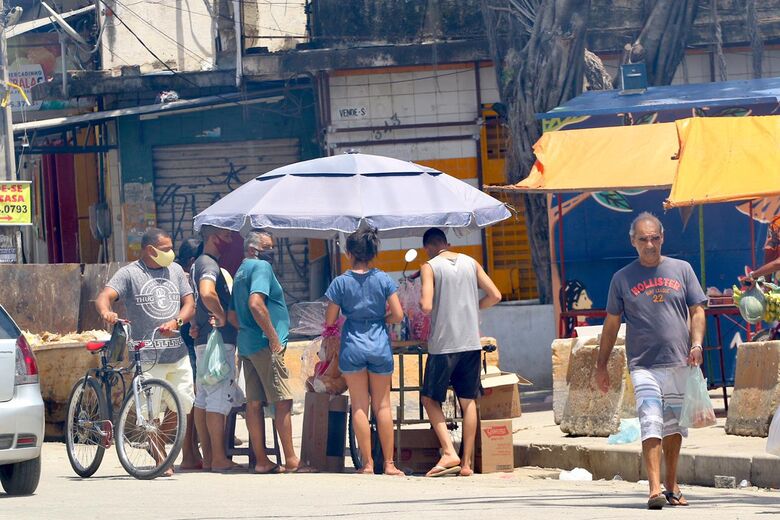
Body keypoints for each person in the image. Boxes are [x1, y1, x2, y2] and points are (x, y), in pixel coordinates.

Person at [595, 212, 706, 510]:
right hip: (643, 366)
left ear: (662, 238)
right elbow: (612, 323)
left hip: (680, 362)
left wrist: (697, 344)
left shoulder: (681, 270)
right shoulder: (622, 278)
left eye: (654, 238)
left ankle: (672, 485)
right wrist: (601, 365)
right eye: (643, 239)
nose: (650, 244)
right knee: (651, 422)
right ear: (633, 241)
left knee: (673, 429)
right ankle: (654, 489)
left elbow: (697, 310)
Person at [95, 227, 196, 477]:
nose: (171, 253)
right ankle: (161, 458)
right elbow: (104, 296)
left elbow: (189, 303)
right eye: (165, 249)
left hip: (178, 353)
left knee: (184, 405)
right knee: (150, 413)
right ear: (150, 250)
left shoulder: (175, 271)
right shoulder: (130, 274)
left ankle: (160, 446)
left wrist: (177, 323)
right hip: (148, 355)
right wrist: (106, 312)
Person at [418, 227, 501, 477]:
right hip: (471, 343)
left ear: (428, 247)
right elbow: (495, 295)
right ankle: (465, 465)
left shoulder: (429, 267)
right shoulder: (471, 262)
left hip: (444, 345)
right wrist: (473, 308)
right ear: (447, 243)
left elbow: (426, 306)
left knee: (429, 399)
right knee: (468, 400)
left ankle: (448, 451)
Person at [324, 227, 404, 476]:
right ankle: (389, 464)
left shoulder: (340, 283)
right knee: (383, 406)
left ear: (349, 253)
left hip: (353, 347)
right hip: (379, 344)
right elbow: (399, 314)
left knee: (359, 405)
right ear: (372, 253)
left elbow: (330, 319)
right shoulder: (383, 279)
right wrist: (382, 317)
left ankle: (367, 464)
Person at [228, 231, 301, 474]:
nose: (272, 252)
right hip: (264, 345)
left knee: (255, 403)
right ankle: (291, 460)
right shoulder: (260, 267)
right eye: (268, 247)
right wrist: (272, 337)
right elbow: (256, 303)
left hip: (247, 344)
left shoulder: (240, 272)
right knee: (282, 401)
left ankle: (261, 460)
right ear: (252, 249)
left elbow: (232, 315)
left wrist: (249, 330)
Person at [191, 225, 242, 472]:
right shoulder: (209, 265)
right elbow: (206, 293)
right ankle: (219, 457)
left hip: (204, 340)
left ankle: (210, 457)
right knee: (218, 397)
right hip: (217, 342)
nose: (231, 241)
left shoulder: (199, 263)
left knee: (203, 397)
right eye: (227, 236)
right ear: (213, 238)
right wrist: (221, 315)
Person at [175, 237, 204, 471]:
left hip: (181, 337)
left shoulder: (172, 275)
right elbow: (189, 306)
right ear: (193, 260)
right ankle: (188, 453)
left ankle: (191, 451)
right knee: (190, 399)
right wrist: (193, 323)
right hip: (186, 339)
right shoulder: (184, 278)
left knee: (189, 398)